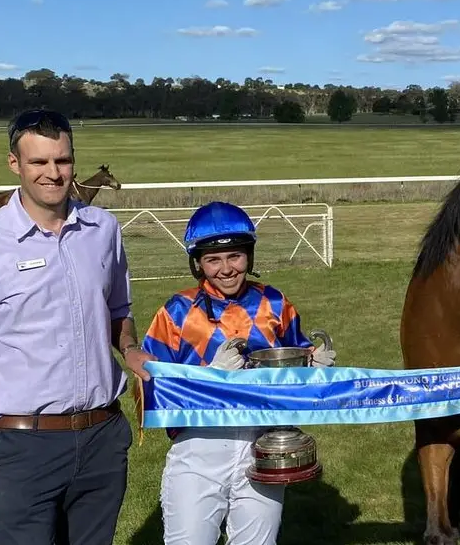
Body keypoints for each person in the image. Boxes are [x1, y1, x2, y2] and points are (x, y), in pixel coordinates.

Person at [0, 108, 154, 545]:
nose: (53, 174)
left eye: (63, 160)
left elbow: (117, 310)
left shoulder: (103, 229)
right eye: (39, 162)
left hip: (102, 438)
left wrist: (128, 348)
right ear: (15, 164)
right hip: (23, 446)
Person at [142, 200, 336, 545]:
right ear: (198, 264)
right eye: (213, 259)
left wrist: (313, 365)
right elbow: (151, 390)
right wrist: (210, 376)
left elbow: (295, 360)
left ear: (249, 255)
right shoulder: (176, 311)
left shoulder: (274, 303)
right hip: (198, 449)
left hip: (263, 445)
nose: (226, 269)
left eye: (235, 256)